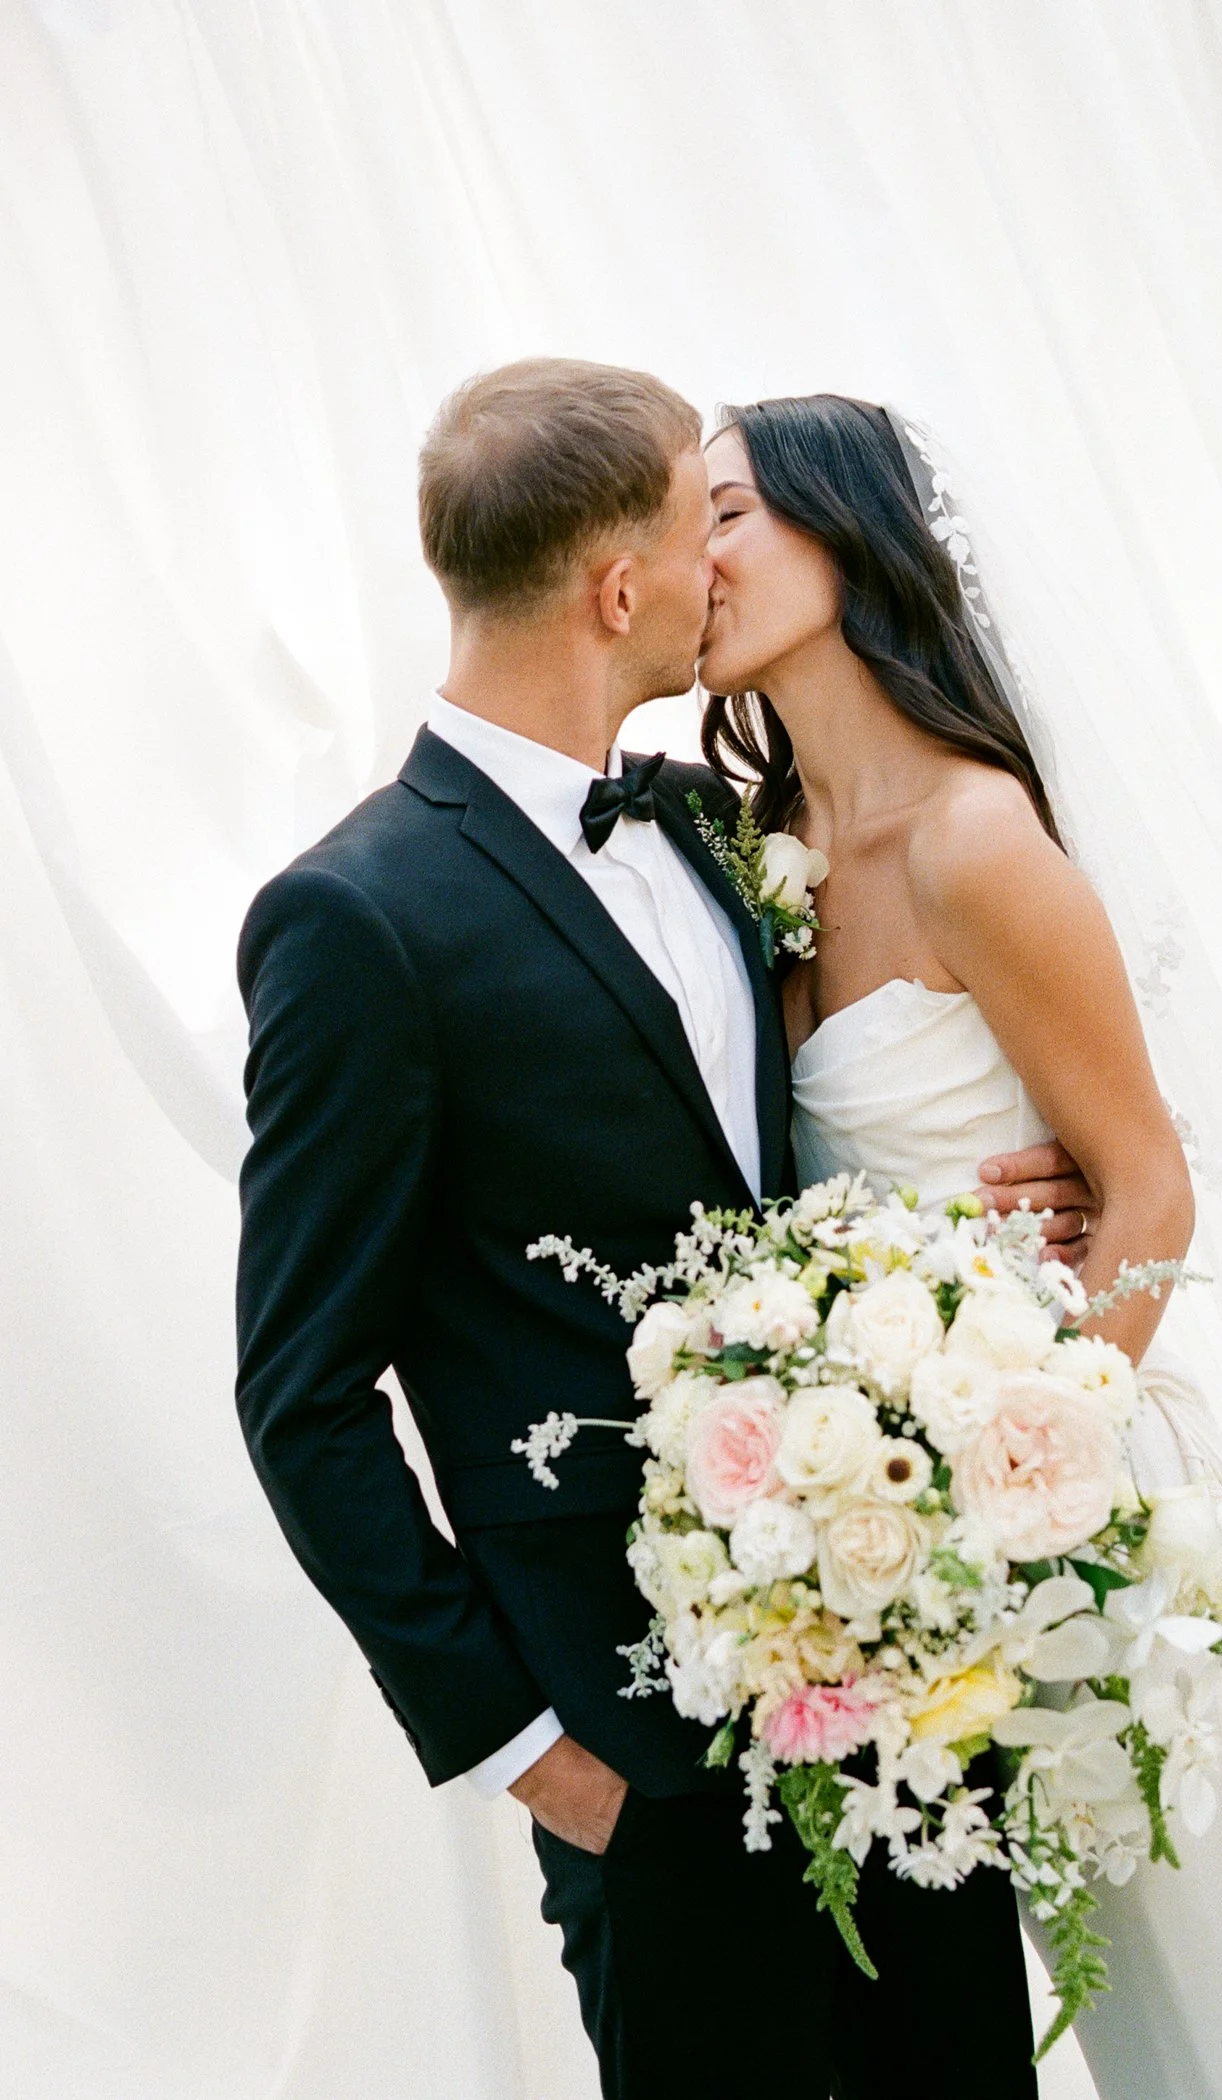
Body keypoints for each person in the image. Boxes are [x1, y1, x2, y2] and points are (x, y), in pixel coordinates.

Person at [233, 358, 1095, 2099]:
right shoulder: (354, 920)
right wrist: (537, 1755)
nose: (722, 569)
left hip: (901, 1699)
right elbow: (300, 1395)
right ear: (618, 592)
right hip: (646, 1768)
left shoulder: (717, 831)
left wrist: (1023, 1199)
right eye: (694, 538)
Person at [697, 392, 1222, 2100]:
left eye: (731, 512)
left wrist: (1019, 1494)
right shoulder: (768, 861)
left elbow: (1147, 1189)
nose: (695, 556)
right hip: (937, 1562)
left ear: (848, 529)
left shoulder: (978, 838)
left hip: (1099, 1534)